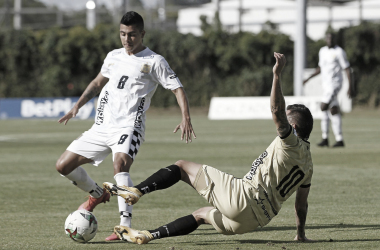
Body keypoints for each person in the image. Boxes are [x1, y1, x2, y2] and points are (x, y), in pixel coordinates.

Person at [103, 53, 314, 245]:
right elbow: (301, 205)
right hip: (255, 221)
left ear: (293, 127)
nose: (282, 123)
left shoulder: (290, 142)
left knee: (182, 167)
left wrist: (277, 75)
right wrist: (300, 233)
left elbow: (276, 110)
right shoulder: (308, 165)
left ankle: (137, 190)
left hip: (244, 198)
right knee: (201, 214)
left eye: (288, 120)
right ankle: (148, 235)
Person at [55, 11, 196, 241]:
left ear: (142, 33)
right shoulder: (113, 56)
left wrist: (185, 117)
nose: (126, 39)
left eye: (131, 35)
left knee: (120, 164)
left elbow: (177, 88)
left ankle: (124, 227)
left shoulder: (154, 61)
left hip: (129, 127)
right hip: (102, 127)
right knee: (63, 165)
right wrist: (77, 106)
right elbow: (96, 83)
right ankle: (97, 194)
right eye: (122, 34)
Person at [303, 32, 354, 147]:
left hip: (335, 84)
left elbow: (347, 68)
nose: (330, 40)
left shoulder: (339, 52)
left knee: (323, 106)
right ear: (325, 39)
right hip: (326, 85)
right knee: (332, 110)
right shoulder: (322, 51)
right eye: (328, 38)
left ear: (335, 39)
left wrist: (350, 86)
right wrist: (309, 78)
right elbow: (320, 68)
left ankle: (329, 138)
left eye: (332, 38)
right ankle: (334, 139)